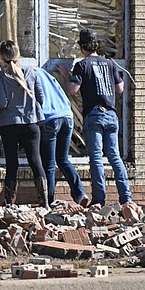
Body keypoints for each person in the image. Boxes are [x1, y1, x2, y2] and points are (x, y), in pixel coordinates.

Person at [65, 28, 140, 217]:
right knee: (115, 157)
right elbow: (120, 88)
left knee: (96, 158)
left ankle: (99, 199)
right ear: (96, 45)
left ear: (82, 46)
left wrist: (66, 75)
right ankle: (126, 198)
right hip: (111, 115)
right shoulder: (110, 63)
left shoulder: (82, 65)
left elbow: (73, 90)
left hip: (94, 114)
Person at [0, 41, 49, 208]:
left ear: (1, 57)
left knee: (12, 163)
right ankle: (44, 201)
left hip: (10, 124)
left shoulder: (1, 76)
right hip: (31, 122)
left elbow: (2, 103)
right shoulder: (31, 72)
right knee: (35, 160)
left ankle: (9, 202)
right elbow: (41, 98)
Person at [35, 67, 89, 207]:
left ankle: (49, 201)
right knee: (63, 159)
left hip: (50, 119)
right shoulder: (47, 75)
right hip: (67, 116)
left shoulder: (30, 74)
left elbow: (37, 97)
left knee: (50, 164)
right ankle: (80, 193)